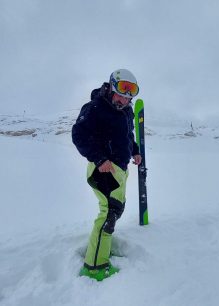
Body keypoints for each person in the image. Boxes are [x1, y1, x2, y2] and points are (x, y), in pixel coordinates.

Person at [72, 69, 142, 281]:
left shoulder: (126, 111)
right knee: (108, 215)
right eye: (123, 90)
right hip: (103, 169)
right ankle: (94, 267)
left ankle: (101, 246)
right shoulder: (95, 108)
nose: (126, 97)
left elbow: (127, 136)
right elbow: (79, 135)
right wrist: (100, 159)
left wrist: (135, 151)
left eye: (131, 92)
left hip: (119, 170)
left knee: (114, 212)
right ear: (112, 86)